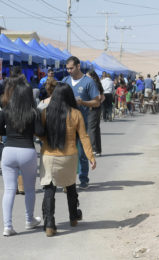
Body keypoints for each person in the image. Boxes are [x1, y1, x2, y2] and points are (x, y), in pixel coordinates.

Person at [40, 82, 96, 237]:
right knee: (71, 187)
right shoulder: (76, 114)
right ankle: (73, 217)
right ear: (70, 96)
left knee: (49, 188)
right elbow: (84, 137)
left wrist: (44, 139)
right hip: (69, 156)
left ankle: (50, 224)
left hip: (49, 156)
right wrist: (91, 156)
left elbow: (39, 133)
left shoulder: (46, 113)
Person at [0, 78, 44, 236]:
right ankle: (29, 220)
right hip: (27, 151)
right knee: (29, 189)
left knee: (9, 190)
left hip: (9, 151)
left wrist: (8, 133)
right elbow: (41, 132)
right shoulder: (33, 112)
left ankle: (7, 226)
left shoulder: (6, 110)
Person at [62, 56, 100, 189]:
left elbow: (97, 101)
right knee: (66, 152)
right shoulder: (65, 81)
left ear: (78, 66)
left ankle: (84, 178)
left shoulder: (88, 82)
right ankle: (67, 179)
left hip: (82, 123)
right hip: (66, 123)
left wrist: (83, 102)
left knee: (82, 153)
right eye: (67, 68)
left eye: (71, 68)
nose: (69, 71)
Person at [86, 69, 104, 156]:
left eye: (87, 76)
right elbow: (103, 97)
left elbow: (100, 96)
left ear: (92, 76)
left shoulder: (92, 84)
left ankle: (93, 149)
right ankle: (98, 150)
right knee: (96, 129)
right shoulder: (98, 84)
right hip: (98, 108)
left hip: (92, 108)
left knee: (91, 129)